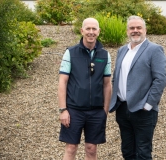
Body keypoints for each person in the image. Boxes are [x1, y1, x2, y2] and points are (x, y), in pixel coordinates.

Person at [109, 15, 166, 160]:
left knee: (143, 152)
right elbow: (117, 77)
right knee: (127, 151)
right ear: (127, 31)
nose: (135, 31)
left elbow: (160, 79)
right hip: (122, 108)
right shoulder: (122, 50)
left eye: (138, 27)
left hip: (143, 111)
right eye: (132, 28)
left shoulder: (154, 50)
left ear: (145, 30)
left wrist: (148, 105)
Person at [58, 17, 112, 160]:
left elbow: (107, 84)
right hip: (74, 110)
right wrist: (63, 110)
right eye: (88, 29)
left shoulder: (105, 55)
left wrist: (104, 111)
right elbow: (62, 82)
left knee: (91, 149)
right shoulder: (70, 53)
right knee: (71, 148)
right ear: (82, 31)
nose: (91, 32)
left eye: (94, 29)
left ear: (99, 32)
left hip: (96, 111)